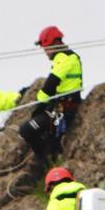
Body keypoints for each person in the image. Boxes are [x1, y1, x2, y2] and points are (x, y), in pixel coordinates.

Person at [19, 26, 83, 164]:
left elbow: (51, 85)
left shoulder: (64, 58)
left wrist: (39, 106)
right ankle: (48, 156)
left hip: (65, 109)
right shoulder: (67, 57)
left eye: (46, 48)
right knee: (45, 135)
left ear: (55, 44)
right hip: (60, 107)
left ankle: (44, 160)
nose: (45, 52)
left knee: (26, 130)